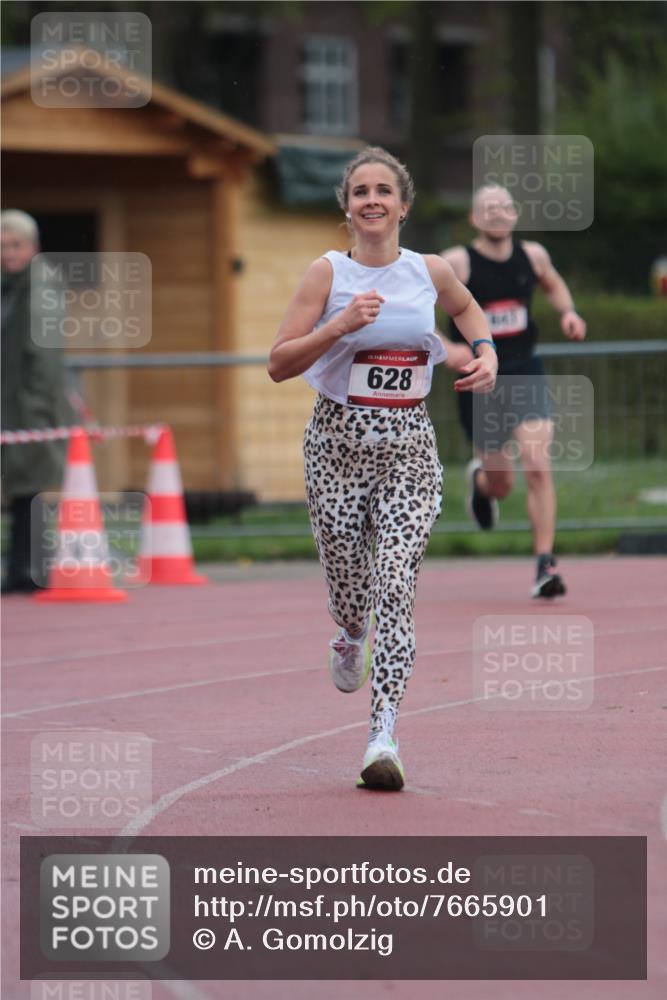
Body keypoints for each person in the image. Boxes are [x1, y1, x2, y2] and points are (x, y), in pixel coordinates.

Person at [268, 147, 497, 791]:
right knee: (351, 584)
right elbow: (279, 362)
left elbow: (469, 311)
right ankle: (347, 630)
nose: (372, 200)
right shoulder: (326, 273)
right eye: (360, 191)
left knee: (395, 581)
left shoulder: (429, 270)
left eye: (383, 191)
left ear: (403, 204)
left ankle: (383, 734)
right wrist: (339, 325)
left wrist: (487, 355)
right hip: (336, 446)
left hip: (408, 449)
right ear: (347, 207)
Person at [440, 185, 586, 598]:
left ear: (515, 215)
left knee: (538, 464)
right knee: (502, 483)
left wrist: (568, 312)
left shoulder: (533, 255)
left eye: (504, 207)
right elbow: (417, 307)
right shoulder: (458, 263)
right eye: (488, 208)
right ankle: (482, 484)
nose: (497, 214)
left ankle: (545, 564)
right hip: (480, 379)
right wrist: (447, 347)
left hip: (524, 370)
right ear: (474, 218)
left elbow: (553, 283)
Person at [1, 210, 75, 593]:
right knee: (21, 491)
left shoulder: (39, 288)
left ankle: (32, 569)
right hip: (12, 406)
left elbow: (43, 358)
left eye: (15, 246)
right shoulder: (10, 286)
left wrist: (39, 411)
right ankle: (20, 568)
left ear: (33, 247)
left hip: (31, 408)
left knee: (33, 489)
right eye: (2, 247)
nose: (8, 254)